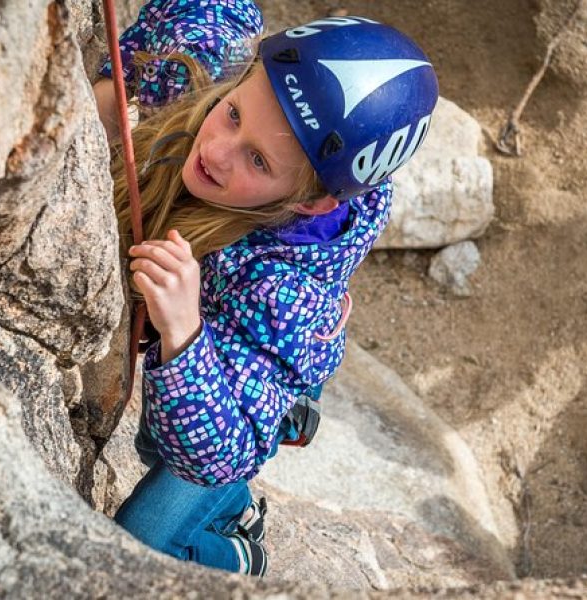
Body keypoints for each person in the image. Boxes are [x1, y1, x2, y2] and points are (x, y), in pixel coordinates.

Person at [94, 0, 438, 578]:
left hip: (243, 387)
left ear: (310, 202)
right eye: (231, 114)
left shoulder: (285, 295)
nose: (216, 151)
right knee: (158, 437)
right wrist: (111, 80)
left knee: (138, 539)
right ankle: (233, 508)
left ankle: (235, 554)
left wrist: (183, 335)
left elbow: (221, 451)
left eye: (257, 159)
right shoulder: (212, 63)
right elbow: (207, 8)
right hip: (224, 358)